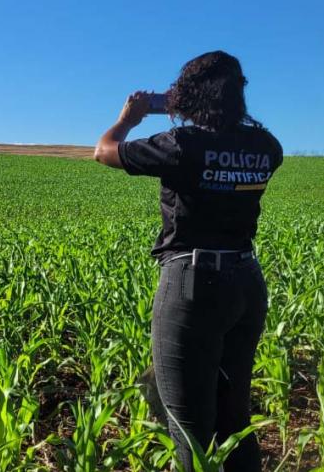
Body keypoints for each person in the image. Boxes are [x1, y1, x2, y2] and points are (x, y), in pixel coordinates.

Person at [93, 51, 283, 471]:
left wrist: (128, 119)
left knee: (189, 427)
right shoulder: (268, 147)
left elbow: (104, 151)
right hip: (247, 282)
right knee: (234, 419)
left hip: (192, 285)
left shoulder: (182, 145)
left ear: (189, 96)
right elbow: (234, 149)